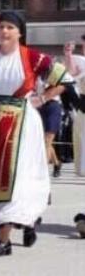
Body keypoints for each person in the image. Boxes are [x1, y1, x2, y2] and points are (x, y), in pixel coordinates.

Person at [0, 11, 66, 257]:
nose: (4, 32)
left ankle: (2, 239)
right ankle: (28, 220)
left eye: (9, 27)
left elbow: (64, 79)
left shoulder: (33, 57)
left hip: (22, 123)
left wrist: (43, 97)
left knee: (17, 176)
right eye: (1, 27)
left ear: (20, 32)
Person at [64, 37, 85, 177]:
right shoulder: (82, 61)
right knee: (80, 135)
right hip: (83, 104)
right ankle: (82, 169)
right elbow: (70, 74)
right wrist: (69, 55)